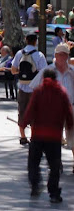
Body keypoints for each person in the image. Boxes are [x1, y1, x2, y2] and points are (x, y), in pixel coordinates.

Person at [23, 69, 73, 204]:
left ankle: (35, 185)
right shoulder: (62, 92)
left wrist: (24, 122)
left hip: (38, 134)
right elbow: (68, 111)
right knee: (54, 166)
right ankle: (54, 193)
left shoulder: (38, 91)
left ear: (43, 78)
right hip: (54, 136)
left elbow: (30, 109)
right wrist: (69, 125)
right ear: (55, 78)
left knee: (33, 162)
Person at [28, 43, 74, 173]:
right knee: (56, 138)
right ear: (55, 56)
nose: (62, 57)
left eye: (64, 55)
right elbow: (35, 87)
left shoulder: (72, 71)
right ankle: (57, 162)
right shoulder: (47, 71)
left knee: (73, 137)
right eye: (59, 54)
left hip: (71, 106)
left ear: (67, 56)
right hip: (54, 110)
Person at [11, 34, 48, 145]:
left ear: (26, 40)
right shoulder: (39, 55)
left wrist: (21, 73)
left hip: (22, 86)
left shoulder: (19, 53)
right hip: (35, 89)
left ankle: (23, 137)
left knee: (21, 111)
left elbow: (13, 70)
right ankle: (33, 136)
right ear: (35, 41)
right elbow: (44, 72)